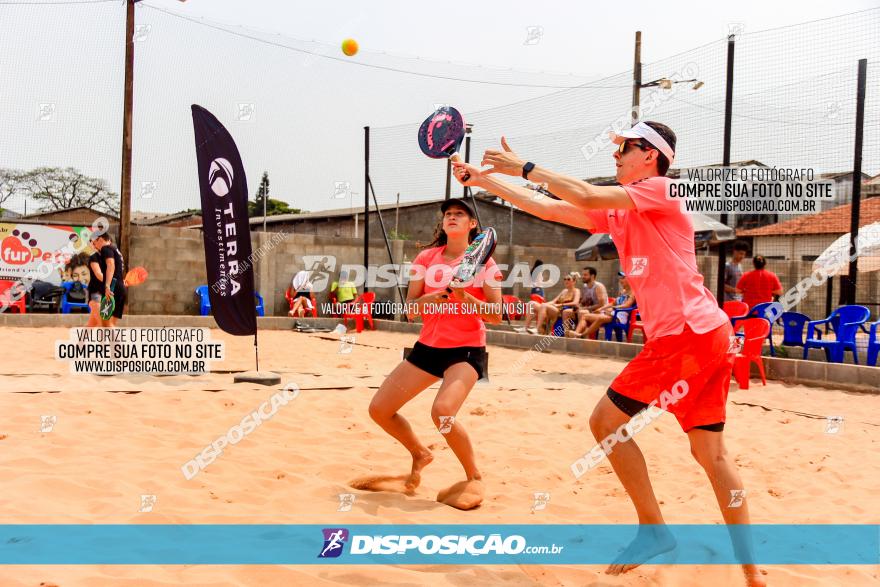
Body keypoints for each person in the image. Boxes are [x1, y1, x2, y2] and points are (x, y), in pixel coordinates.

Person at [452, 120, 765, 586]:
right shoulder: (621, 210)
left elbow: (587, 195)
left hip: (684, 335)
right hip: (709, 334)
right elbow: (552, 207)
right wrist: (488, 182)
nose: (615, 154)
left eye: (626, 148)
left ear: (652, 156)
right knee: (711, 452)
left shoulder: (661, 190)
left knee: (604, 421)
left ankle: (654, 530)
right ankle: (753, 573)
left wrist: (525, 166)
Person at [363, 198, 502, 510]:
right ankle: (420, 453)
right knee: (379, 410)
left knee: (442, 412)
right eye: (447, 214)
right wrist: (431, 298)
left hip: (465, 350)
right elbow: (409, 310)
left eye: (459, 214)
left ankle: (474, 476)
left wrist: (467, 298)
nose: (451, 218)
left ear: (472, 225)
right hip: (428, 348)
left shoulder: (486, 265)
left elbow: (495, 315)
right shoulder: (426, 258)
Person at [576, 272, 635, 339]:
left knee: (600, 318)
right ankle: (576, 334)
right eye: (620, 278)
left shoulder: (633, 292)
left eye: (623, 278)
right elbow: (613, 303)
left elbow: (627, 305)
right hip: (611, 314)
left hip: (620, 317)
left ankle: (582, 335)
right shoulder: (622, 292)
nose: (620, 280)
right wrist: (602, 308)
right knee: (585, 316)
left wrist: (613, 308)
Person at [89, 232, 127, 327]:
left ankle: (117, 342)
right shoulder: (116, 251)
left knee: (107, 325)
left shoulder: (106, 248)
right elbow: (116, 270)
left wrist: (107, 286)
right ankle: (80, 342)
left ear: (100, 239)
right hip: (119, 289)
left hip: (109, 291)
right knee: (93, 324)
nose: (94, 245)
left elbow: (110, 265)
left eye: (94, 242)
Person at [566, 266, 608, 337]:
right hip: (589, 309)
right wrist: (578, 306)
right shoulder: (585, 286)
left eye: (585, 275)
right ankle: (567, 335)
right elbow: (583, 301)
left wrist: (584, 308)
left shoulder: (598, 286)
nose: (583, 276)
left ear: (592, 276)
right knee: (566, 312)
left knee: (582, 312)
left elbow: (601, 304)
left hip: (599, 311)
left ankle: (579, 336)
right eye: (582, 275)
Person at [523, 259, 551, 334]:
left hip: (534, 290)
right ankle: (537, 327)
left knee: (534, 308)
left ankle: (532, 326)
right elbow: (540, 283)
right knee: (538, 309)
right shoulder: (539, 272)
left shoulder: (532, 272)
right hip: (539, 290)